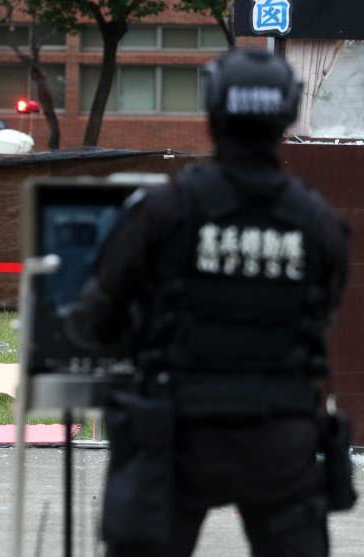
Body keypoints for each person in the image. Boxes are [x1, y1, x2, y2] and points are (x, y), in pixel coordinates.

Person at [68, 49, 350, 556]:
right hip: (281, 440)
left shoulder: (162, 210)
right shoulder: (318, 223)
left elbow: (93, 320)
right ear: (285, 115)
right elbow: (321, 314)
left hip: (174, 436)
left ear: (214, 111)